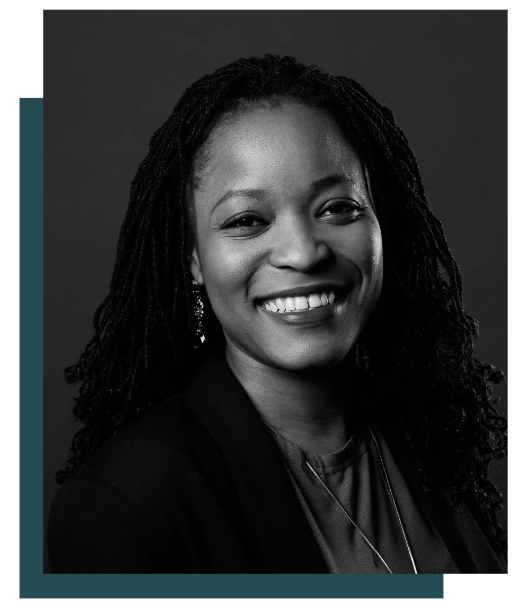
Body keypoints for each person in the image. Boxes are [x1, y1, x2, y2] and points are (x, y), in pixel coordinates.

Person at [47, 54, 507, 574]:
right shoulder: (127, 505)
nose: (304, 253)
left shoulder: (429, 438)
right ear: (193, 258)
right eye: (247, 220)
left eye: (337, 208)